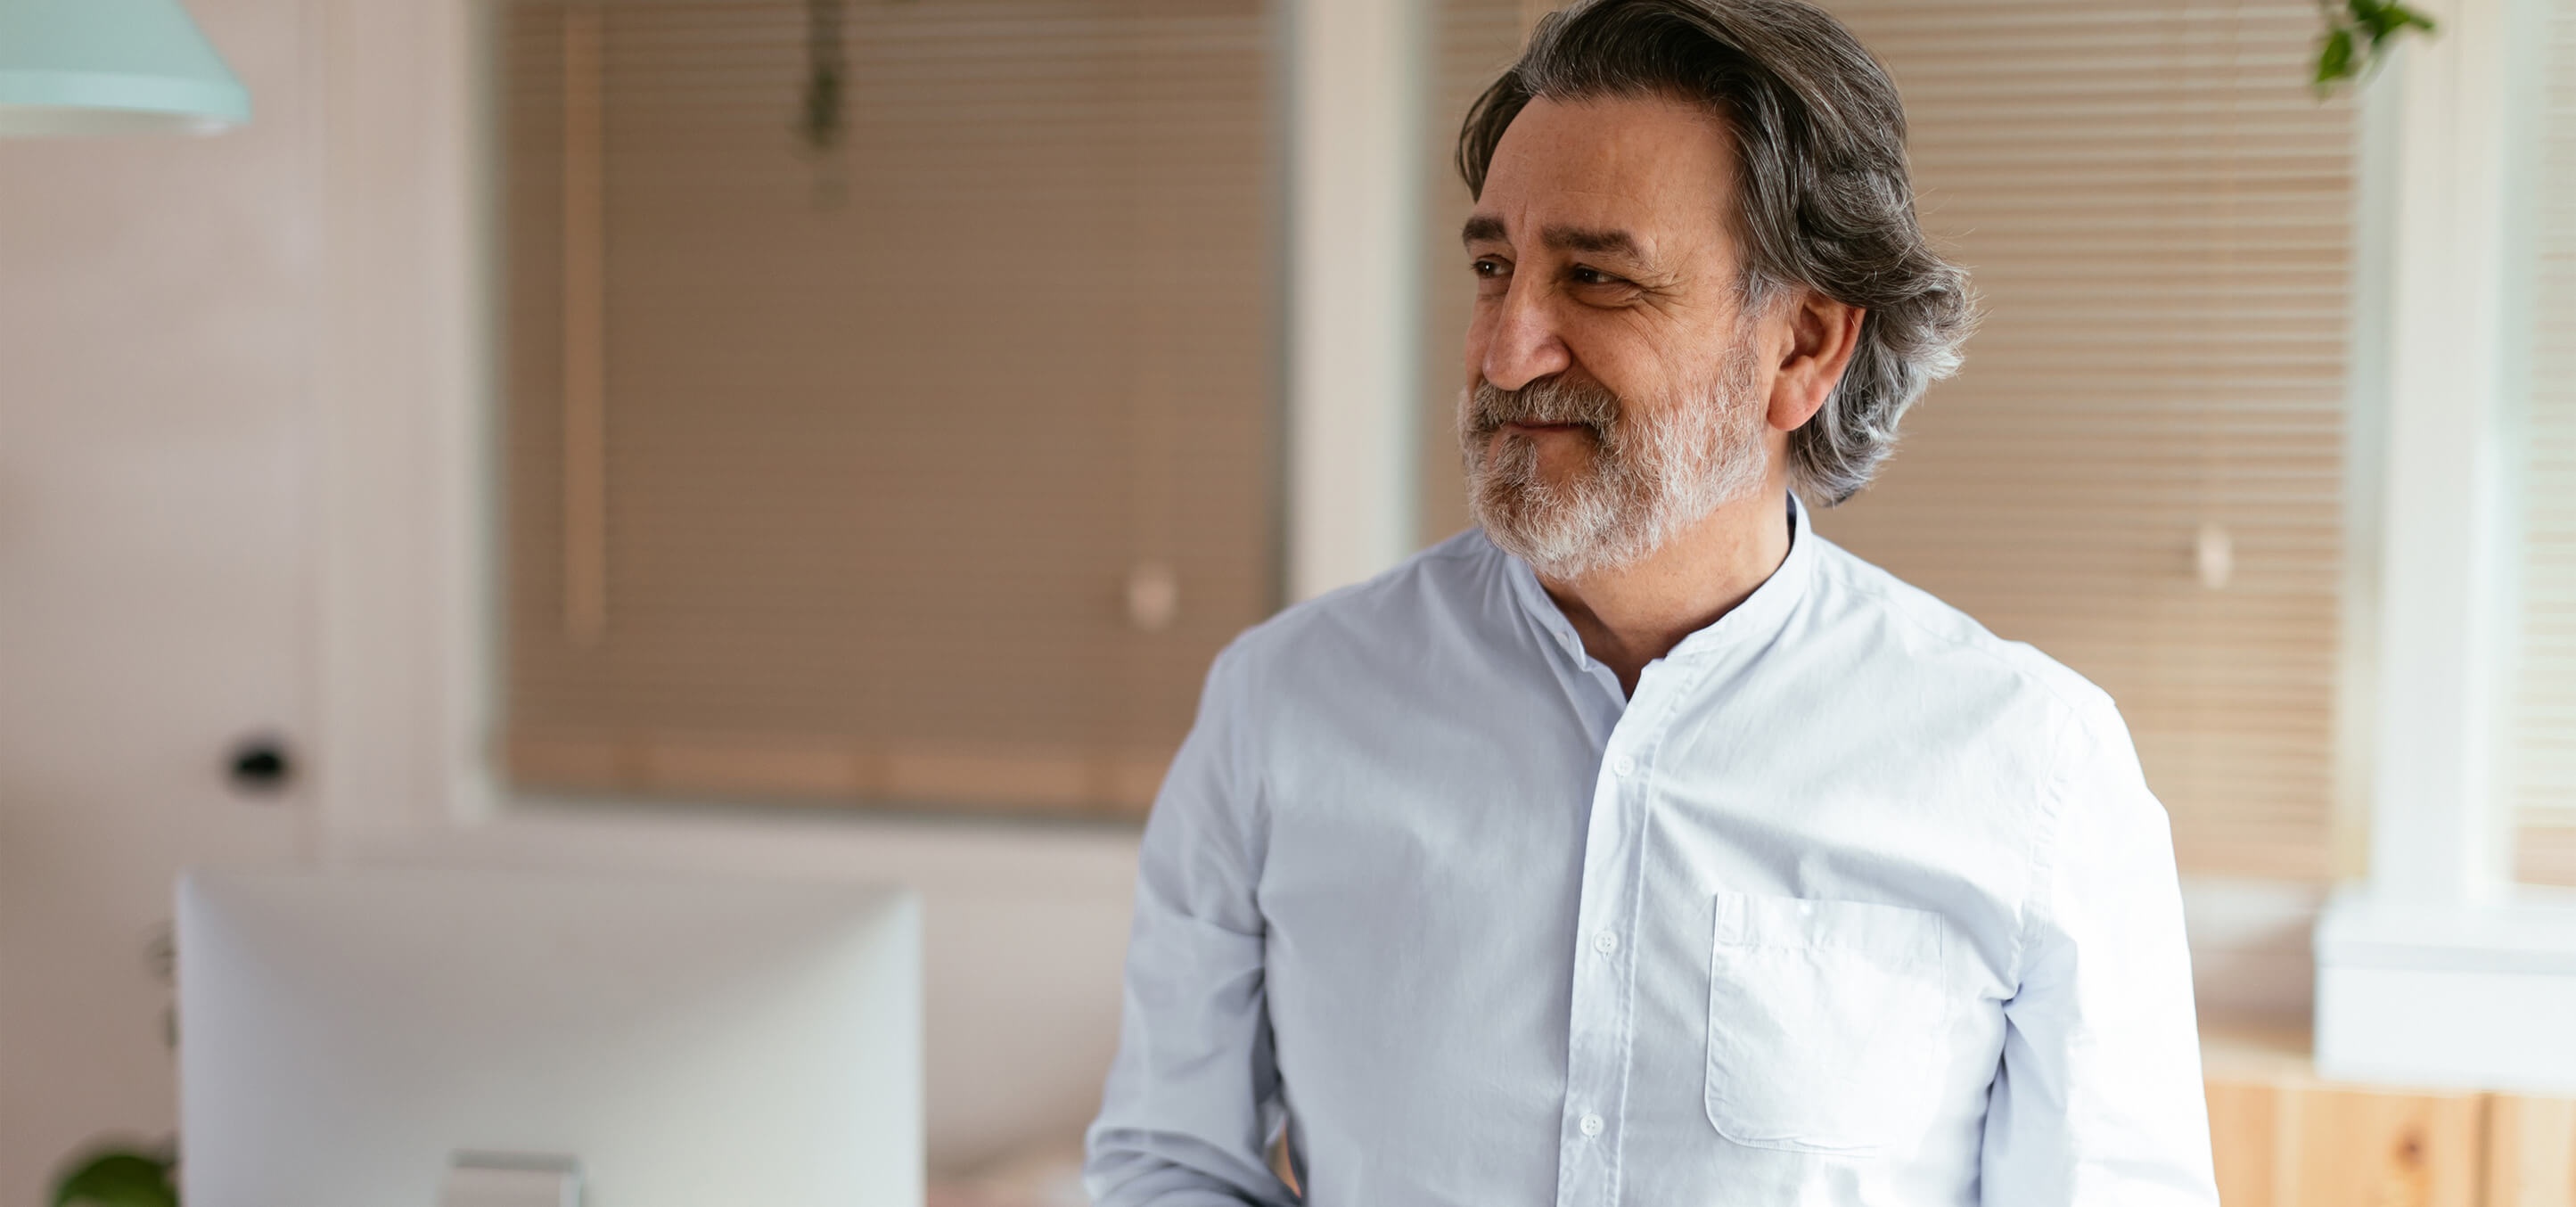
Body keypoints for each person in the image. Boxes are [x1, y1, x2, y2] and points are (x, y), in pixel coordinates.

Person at [1083, 0, 2219, 1202]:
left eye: (1596, 279)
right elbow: (1171, 1161)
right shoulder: (1282, 707)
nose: (1506, 349)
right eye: (1491, 268)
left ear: (1803, 346)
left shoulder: (2033, 767)